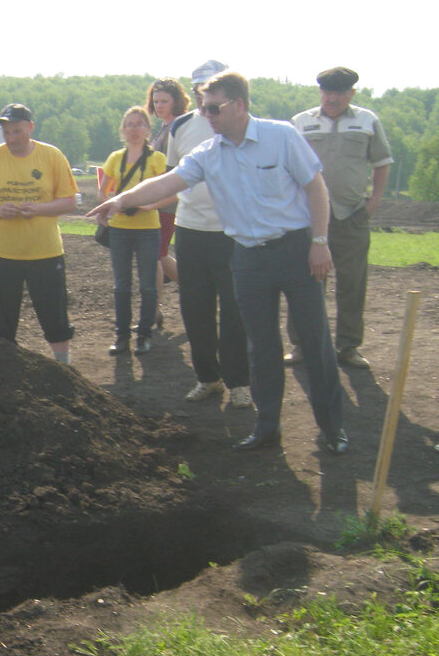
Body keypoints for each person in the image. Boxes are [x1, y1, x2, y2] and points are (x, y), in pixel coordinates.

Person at [87, 71, 348, 455]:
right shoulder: (209, 154)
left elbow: (315, 187)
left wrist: (320, 242)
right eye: (204, 108)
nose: (205, 115)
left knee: (314, 340)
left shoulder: (282, 136)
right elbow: (168, 182)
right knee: (260, 345)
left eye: (213, 108)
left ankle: (332, 429)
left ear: (239, 105)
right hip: (245, 257)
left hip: (297, 251)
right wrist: (121, 200)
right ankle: (267, 427)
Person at [288, 66, 394, 370]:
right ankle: (302, 346)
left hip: (351, 214)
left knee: (352, 283)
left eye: (339, 92)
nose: (332, 98)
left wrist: (375, 199)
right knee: (306, 282)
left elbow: (382, 162)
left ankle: (348, 347)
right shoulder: (301, 122)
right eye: (327, 91)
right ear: (320, 92)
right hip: (307, 217)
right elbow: (288, 165)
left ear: (352, 93)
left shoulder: (367, 121)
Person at [167, 60, 252, 409]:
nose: (207, 107)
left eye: (212, 97)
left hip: (232, 232)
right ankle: (208, 378)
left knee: (235, 310)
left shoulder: (242, 124)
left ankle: (240, 382)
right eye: (201, 94)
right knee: (195, 308)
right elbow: (172, 176)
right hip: (190, 229)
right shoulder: (181, 126)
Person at [0, 103, 78, 364]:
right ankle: (6, 371)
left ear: (30, 128)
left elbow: (70, 201)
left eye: (17, 131)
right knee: (3, 320)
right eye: (6, 133)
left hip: (45, 251)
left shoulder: (51, 156)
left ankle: (63, 366)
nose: (11, 138)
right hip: (3, 253)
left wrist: (39, 209)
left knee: (54, 315)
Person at [100, 106, 167, 356]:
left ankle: (144, 335)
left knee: (148, 286)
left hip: (148, 229)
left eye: (140, 124)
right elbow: (102, 190)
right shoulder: (115, 158)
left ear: (148, 130)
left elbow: (168, 193)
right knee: (121, 285)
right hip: (120, 229)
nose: (135, 128)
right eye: (130, 124)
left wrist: (149, 205)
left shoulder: (157, 159)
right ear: (123, 130)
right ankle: (122, 337)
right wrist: (112, 207)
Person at [146, 77, 189, 322]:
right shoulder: (164, 126)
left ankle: (154, 311)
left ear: (177, 101)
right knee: (158, 253)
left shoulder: (177, 127)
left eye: (164, 100)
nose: (159, 105)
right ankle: (198, 289)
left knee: (156, 254)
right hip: (157, 198)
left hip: (167, 201)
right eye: (156, 100)